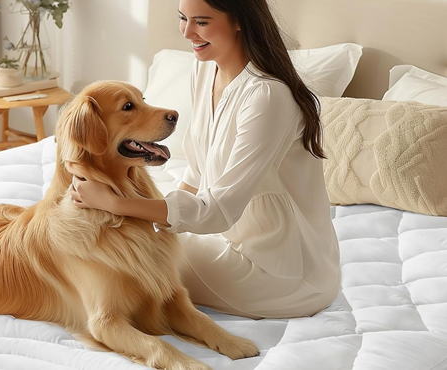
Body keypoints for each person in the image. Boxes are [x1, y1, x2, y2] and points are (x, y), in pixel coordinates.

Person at [69, 0, 340, 319]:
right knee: (117, 245)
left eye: (201, 21)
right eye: (183, 18)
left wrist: (116, 204)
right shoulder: (203, 68)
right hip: (225, 240)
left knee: (119, 257)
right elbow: (197, 172)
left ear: (239, 20)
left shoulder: (267, 96)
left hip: (284, 272)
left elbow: (220, 210)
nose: (186, 32)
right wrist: (157, 223)